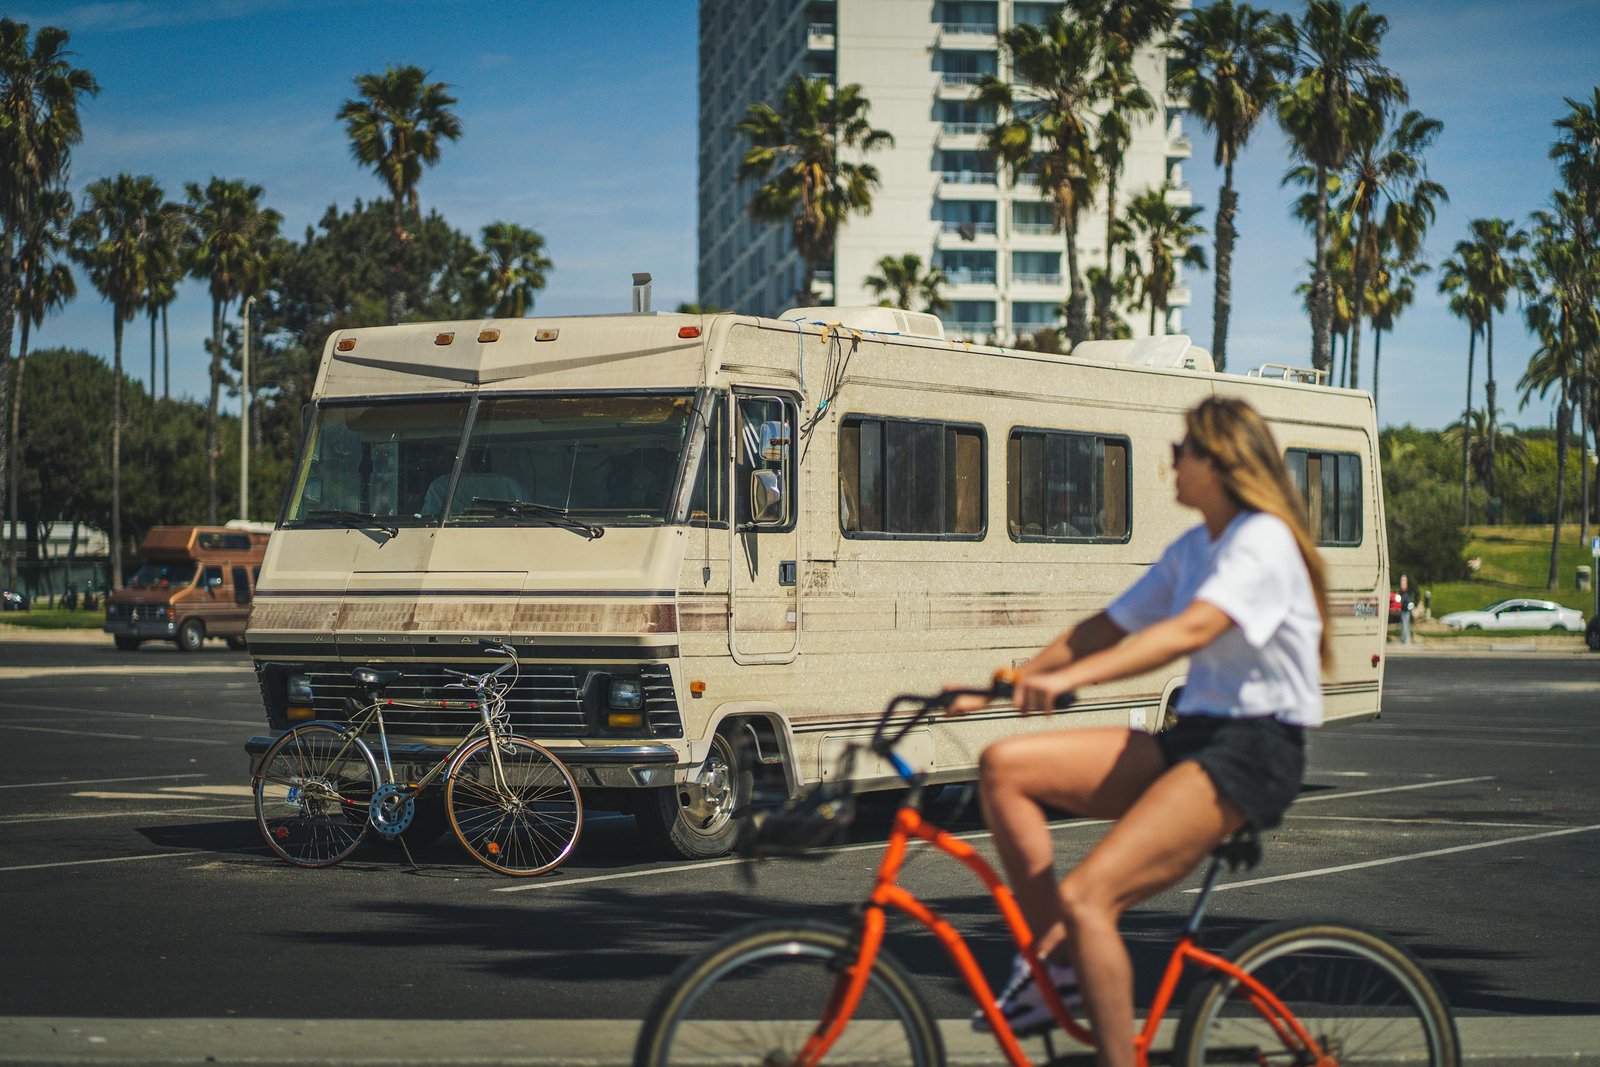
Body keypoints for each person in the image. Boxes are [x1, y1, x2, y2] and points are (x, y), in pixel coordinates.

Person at [947, 396, 1329, 1067]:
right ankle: (1057, 967)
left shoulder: (1261, 538)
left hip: (1255, 747)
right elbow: (1105, 627)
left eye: (1183, 450)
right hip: (1196, 736)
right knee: (1004, 766)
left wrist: (1071, 682)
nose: (1171, 462)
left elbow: (1188, 630)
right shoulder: (1194, 546)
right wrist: (1003, 684)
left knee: (1090, 896)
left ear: (1219, 460)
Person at [1398, 573, 1415, 644]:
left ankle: (1406, 638)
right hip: (1402, 610)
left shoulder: (1408, 592)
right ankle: (1404, 638)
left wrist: (1410, 608)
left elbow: (1411, 601)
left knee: (1406, 624)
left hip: (1407, 610)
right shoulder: (1401, 592)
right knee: (1403, 624)